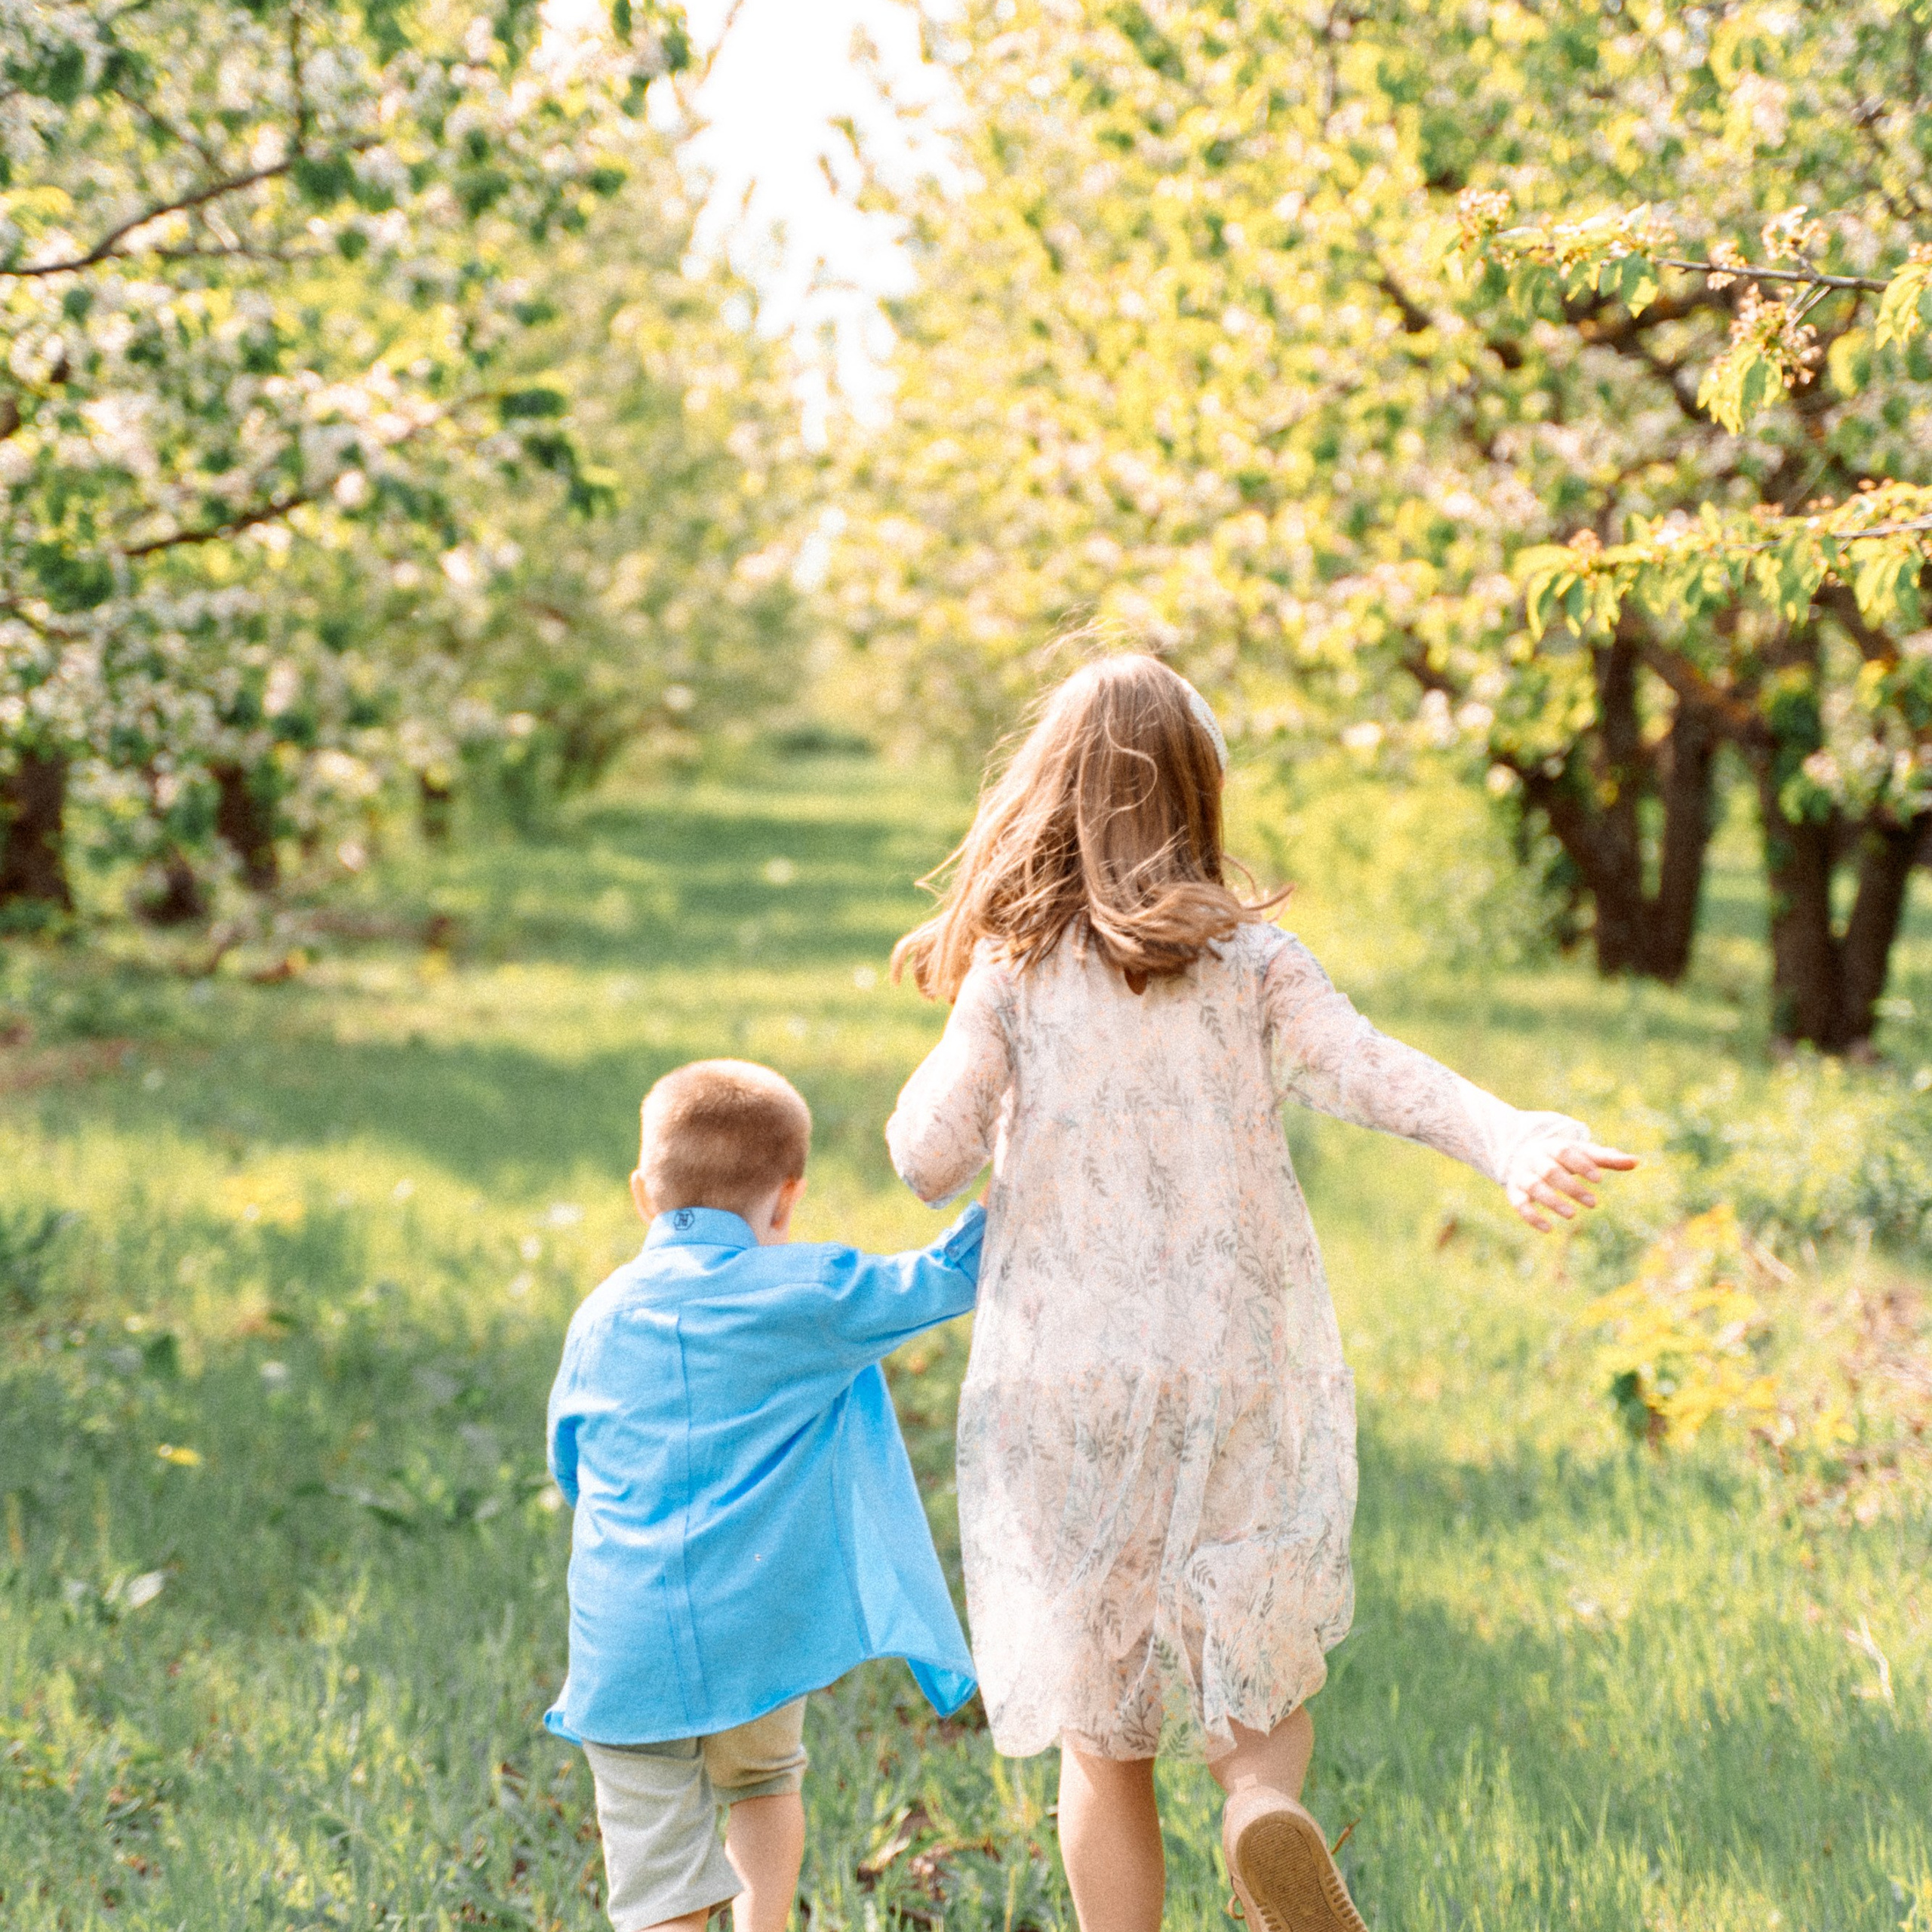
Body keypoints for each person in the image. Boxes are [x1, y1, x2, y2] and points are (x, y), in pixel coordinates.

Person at [884, 655, 1636, 1932]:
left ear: (1047, 797)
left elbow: (925, 1158)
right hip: (1236, 1366)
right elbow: (1377, 1071)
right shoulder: (1252, 962)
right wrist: (1513, 1139)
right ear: (1200, 798)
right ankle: (1256, 1813)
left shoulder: (1013, 970)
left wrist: (971, 1029)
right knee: (1256, 1683)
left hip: (1067, 1384)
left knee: (1100, 1729)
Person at [546, 1058, 985, 1932]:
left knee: (655, 1866)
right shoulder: (811, 1295)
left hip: (626, 1643)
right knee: (763, 1780)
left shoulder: (598, 1315)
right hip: (757, 1631)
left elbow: (570, 1459)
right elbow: (942, 1277)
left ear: (644, 1193)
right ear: (786, 1199)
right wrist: (1019, 1181)